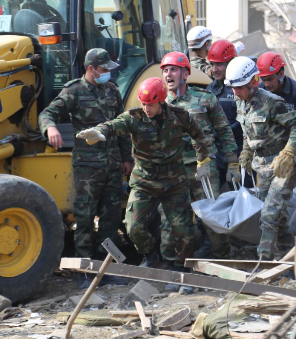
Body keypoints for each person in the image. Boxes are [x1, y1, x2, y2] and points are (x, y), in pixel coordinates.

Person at [76, 77, 213, 270]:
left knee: (183, 229)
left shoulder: (180, 116)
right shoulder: (134, 117)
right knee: (134, 227)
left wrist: (203, 160)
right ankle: (150, 255)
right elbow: (114, 125)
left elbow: (199, 135)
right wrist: (99, 132)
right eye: (144, 104)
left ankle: (181, 268)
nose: (147, 108)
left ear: (161, 101)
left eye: (151, 104)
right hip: (144, 181)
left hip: (174, 181)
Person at [38, 48, 133, 289]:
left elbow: (120, 125)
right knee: (85, 218)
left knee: (111, 219)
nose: (108, 73)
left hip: (112, 166)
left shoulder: (112, 90)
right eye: (103, 69)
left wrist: (126, 158)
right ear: (90, 69)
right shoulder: (74, 91)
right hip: (88, 168)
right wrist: (50, 128)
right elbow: (48, 113)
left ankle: (105, 268)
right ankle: (83, 272)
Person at [160, 52, 238, 268]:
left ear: (185, 73)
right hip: (174, 171)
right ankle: (179, 264)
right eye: (165, 70)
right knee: (173, 219)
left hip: (203, 167)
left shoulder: (205, 98)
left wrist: (232, 162)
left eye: (173, 69)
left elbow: (224, 131)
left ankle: (223, 259)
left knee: (212, 215)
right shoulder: (159, 103)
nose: (169, 74)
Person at [228, 56, 296, 261]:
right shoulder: (240, 101)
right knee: (276, 218)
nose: (235, 92)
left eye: (240, 87)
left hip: (283, 165)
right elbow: (249, 131)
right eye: (233, 88)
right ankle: (290, 257)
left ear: (253, 82)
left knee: (269, 216)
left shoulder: (272, 103)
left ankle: (263, 263)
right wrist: (246, 152)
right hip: (262, 166)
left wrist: (290, 152)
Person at [205, 39, 243, 189]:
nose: (215, 69)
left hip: (239, 153)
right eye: (212, 64)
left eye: (219, 64)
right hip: (216, 155)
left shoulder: (240, 88)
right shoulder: (210, 89)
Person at [257, 51, 296, 116]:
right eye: (263, 80)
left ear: (281, 74)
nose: (266, 84)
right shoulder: (260, 90)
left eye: (269, 79)